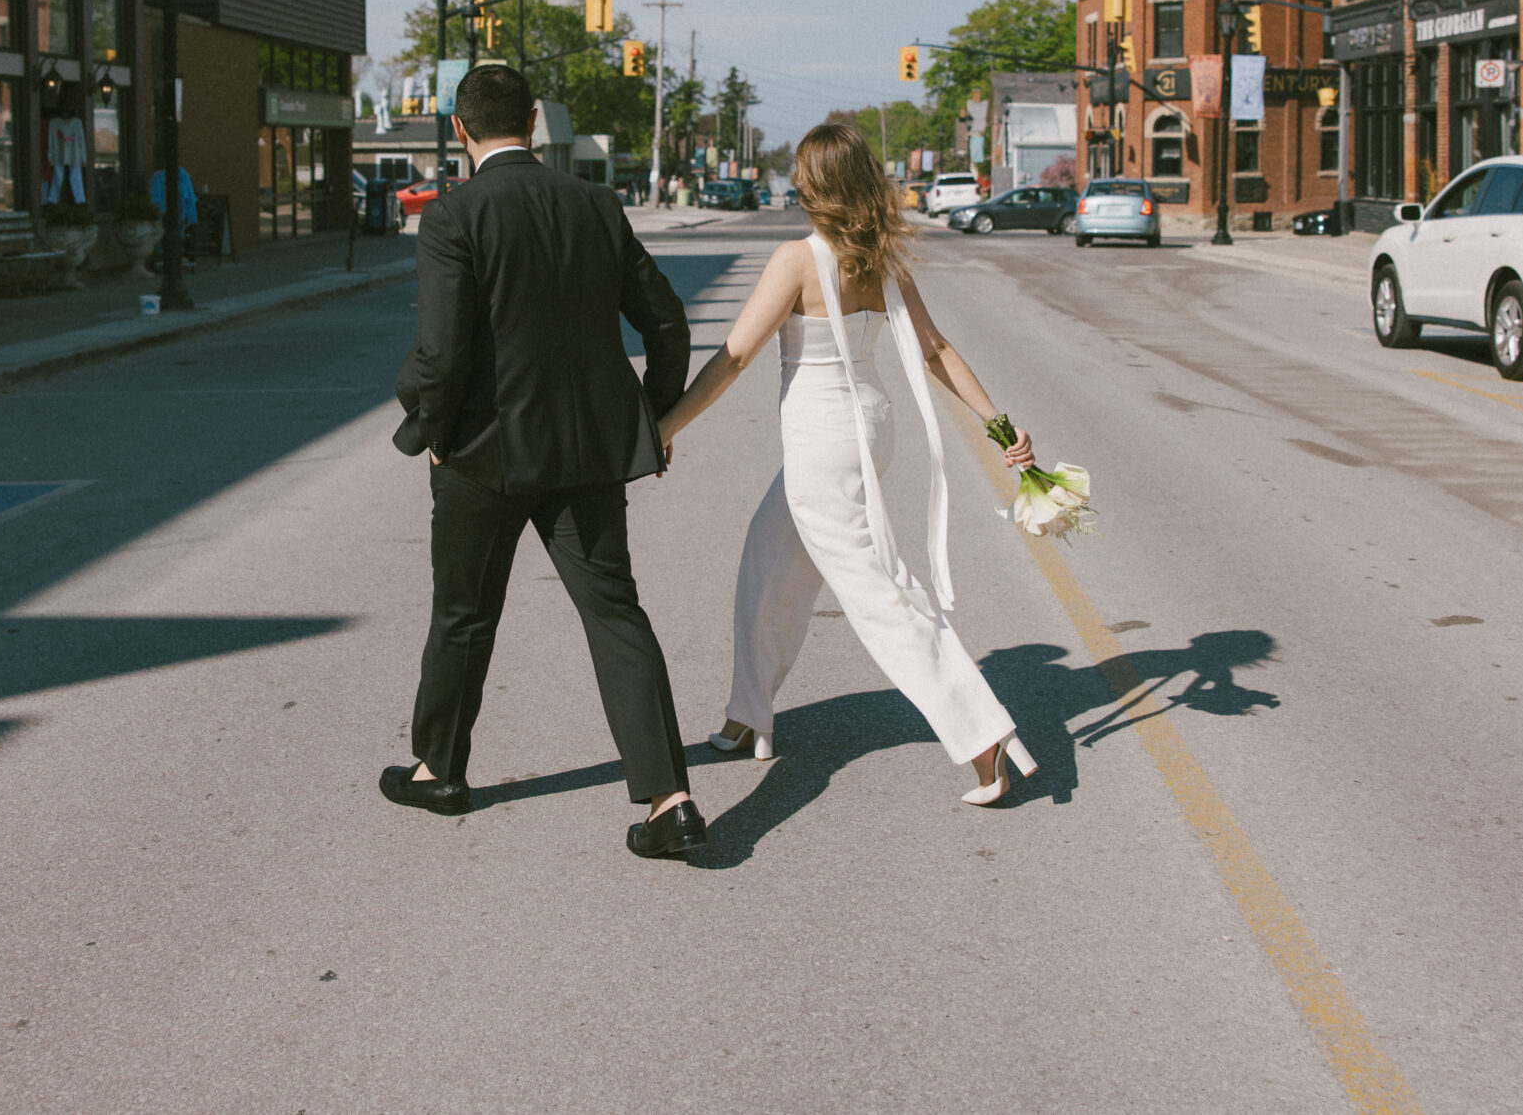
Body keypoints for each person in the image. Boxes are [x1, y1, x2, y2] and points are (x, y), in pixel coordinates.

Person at [657, 122, 1041, 805]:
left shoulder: (798, 259)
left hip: (824, 439)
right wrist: (1000, 424)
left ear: (813, 186)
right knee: (768, 561)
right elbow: (935, 349)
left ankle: (984, 739)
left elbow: (737, 356)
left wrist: (667, 425)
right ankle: (749, 717)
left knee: (882, 594)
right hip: (869, 423)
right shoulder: (880, 256)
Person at [383, 63, 709, 858]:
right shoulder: (596, 205)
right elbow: (666, 322)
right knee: (615, 613)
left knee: (464, 616)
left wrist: (424, 427)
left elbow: (442, 352)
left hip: (483, 456)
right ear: (533, 121)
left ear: (460, 129)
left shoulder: (454, 217)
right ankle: (671, 797)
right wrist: (657, 417)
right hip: (588, 455)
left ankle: (441, 772)